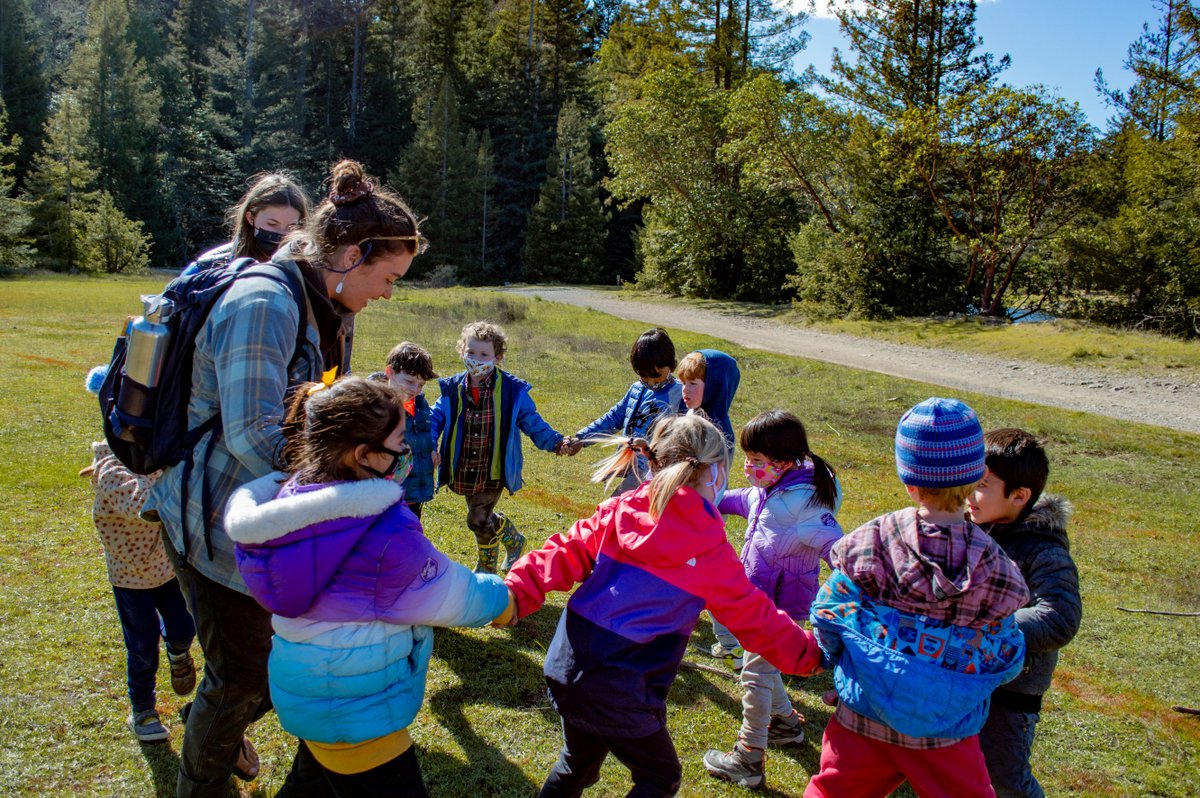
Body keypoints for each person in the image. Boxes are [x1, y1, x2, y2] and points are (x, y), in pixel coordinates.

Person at [144, 159, 424, 797]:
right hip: (213, 522)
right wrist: (349, 485)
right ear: (351, 255)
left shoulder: (330, 306)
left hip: (270, 522)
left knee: (270, 669)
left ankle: (213, 727)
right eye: (389, 277)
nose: (388, 294)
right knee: (242, 678)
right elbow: (253, 435)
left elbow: (319, 414)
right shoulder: (265, 302)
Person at [502, 414, 824, 797]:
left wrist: (516, 592)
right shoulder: (709, 550)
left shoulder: (620, 509)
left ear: (654, 461)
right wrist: (811, 655)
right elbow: (757, 618)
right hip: (625, 683)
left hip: (568, 665)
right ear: (714, 474)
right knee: (659, 777)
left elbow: (564, 551)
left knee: (577, 763)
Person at [225, 376, 512, 797]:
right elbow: (451, 595)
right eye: (399, 442)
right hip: (358, 712)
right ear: (364, 454)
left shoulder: (294, 499)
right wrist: (504, 599)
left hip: (313, 691)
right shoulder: (383, 531)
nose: (406, 451)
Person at [804, 397, 1030, 798]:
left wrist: (843, 662)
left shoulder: (873, 540)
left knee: (832, 792)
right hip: (946, 731)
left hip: (863, 715)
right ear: (977, 477)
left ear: (909, 482)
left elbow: (828, 611)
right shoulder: (995, 566)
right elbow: (1007, 653)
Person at [702, 410, 844, 789]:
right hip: (758, 602)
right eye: (748, 458)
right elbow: (738, 499)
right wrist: (700, 500)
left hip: (780, 607)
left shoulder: (806, 506)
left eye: (756, 460)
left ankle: (748, 757)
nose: (748, 466)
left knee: (754, 673)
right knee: (763, 669)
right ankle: (785, 723)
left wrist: (853, 587)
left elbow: (839, 550)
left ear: (783, 462)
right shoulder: (770, 490)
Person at [82, 365, 197, 744]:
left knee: (184, 628)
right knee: (142, 645)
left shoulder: (158, 455)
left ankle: (178, 652)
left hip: (166, 567)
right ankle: (143, 709)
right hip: (130, 577)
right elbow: (142, 503)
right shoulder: (110, 468)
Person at [968, 429, 1082, 798]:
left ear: (1019, 496)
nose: (969, 492)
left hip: (1010, 692)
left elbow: (1059, 616)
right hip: (964, 674)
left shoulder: (1043, 550)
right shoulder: (971, 527)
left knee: (1004, 778)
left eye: (981, 485)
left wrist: (988, 628)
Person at [430, 321, 575, 575]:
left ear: (497, 357)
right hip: (464, 466)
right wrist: (430, 444)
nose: (476, 359)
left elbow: (532, 421)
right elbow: (434, 418)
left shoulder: (511, 391)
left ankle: (487, 568)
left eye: (484, 354)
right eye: (471, 352)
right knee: (482, 515)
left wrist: (555, 441)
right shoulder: (453, 389)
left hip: (493, 468)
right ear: (462, 351)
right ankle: (514, 539)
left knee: (477, 519)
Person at [677, 349, 742, 664]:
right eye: (683, 383)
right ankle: (730, 643)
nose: (685, 390)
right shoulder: (693, 417)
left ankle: (733, 644)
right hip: (685, 517)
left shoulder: (717, 432)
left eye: (693, 383)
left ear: (715, 386)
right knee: (705, 582)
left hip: (696, 521)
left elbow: (711, 485)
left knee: (704, 583)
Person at [570, 328, 683, 493]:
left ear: (672, 365)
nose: (651, 383)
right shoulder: (637, 390)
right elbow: (614, 417)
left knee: (617, 503)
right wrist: (582, 438)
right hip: (629, 461)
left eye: (657, 376)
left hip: (652, 471)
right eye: (645, 378)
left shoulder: (681, 394)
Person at [181, 173, 311, 275]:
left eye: (292, 227)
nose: (281, 234)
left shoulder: (310, 271)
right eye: (272, 224)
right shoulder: (209, 266)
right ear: (250, 218)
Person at [383, 342, 439, 518]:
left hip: (415, 494)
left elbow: (425, 433)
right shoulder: (379, 408)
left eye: (421, 385)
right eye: (410, 381)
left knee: (411, 529)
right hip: (387, 496)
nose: (415, 389)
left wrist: (432, 449)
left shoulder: (420, 405)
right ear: (390, 372)